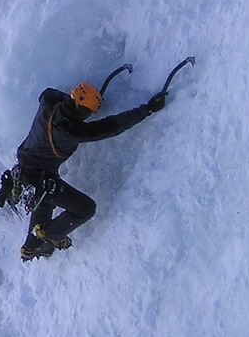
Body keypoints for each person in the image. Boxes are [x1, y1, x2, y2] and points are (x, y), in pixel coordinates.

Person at [12, 80, 165, 260]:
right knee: (85, 208)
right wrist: (146, 109)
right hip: (41, 180)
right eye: (88, 113)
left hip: (28, 174)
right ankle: (49, 234)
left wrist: (78, 102)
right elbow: (110, 127)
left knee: (46, 198)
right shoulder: (70, 131)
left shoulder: (49, 104)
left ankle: (32, 247)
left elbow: (46, 93)